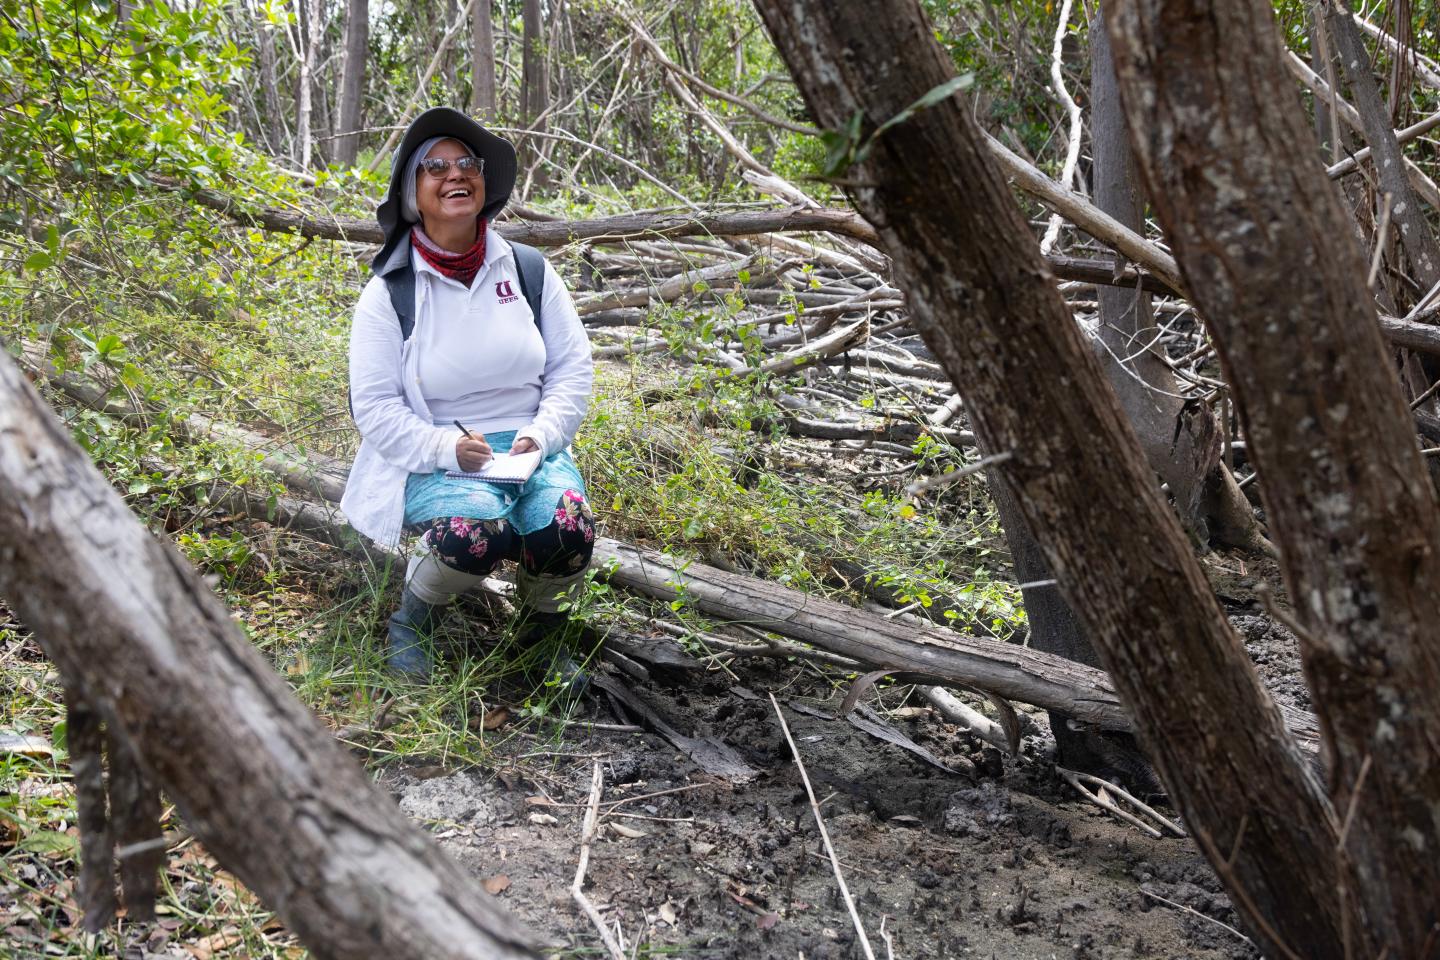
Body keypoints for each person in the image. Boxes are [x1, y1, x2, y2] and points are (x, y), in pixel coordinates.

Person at [341, 107, 596, 692]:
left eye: (467, 164)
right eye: (435, 166)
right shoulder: (390, 293)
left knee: (566, 528)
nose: (455, 174)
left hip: (532, 445)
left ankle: (542, 636)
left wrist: (544, 434)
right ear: (413, 191)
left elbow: (571, 367)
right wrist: (447, 447)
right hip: (441, 451)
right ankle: (414, 621)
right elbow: (375, 407)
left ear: (483, 182)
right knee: (473, 533)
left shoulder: (528, 269)